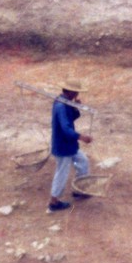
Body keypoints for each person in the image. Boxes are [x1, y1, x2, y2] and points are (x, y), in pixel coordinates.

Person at [48, 79, 93, 212]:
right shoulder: (60, 106)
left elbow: (72, 117)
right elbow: (66, 129)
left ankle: (79, 190)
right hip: (63, 145)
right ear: (71, 91)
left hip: (70, 144)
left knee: (83, 161)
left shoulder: (65, 102)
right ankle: (53, 202)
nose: (77, 94)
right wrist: (81, 137)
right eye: (76, 92)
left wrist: (74, 107)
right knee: (62, 173)